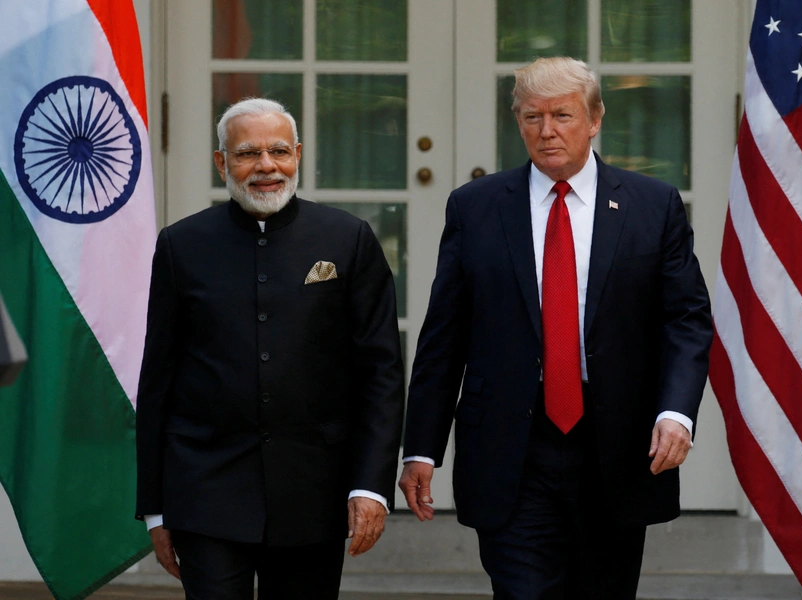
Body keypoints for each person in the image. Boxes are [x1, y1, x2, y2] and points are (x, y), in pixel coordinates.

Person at [399, 57, 713, 599]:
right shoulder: (474, 208)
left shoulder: (651, 205)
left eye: (562, 115)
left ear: (594, 120)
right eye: (531, 117)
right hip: (511, 448)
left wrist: (676, 412)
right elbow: (444, 335)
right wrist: (421, 447)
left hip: (615, 444)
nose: (546, 131)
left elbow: (685, 319)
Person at [135, 97, 405, 600]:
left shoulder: (348, 239)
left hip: (314, 488)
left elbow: (382, 373)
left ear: (298, 154)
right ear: (222, 162)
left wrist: (370, 485)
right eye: (247, 154)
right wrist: (155, 507)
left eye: (279, 151)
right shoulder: (181, 245)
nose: (265, 167)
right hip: (206, 489)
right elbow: (158, 380)